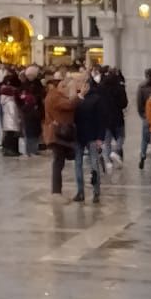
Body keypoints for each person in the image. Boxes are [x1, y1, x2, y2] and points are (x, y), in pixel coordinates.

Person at [45, 71, 79, 201]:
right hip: (57, 133)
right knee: (58, 162)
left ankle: (57, 190)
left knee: (59, 162)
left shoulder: (55, 95)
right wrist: (79, 96)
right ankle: (56, 192)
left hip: (59, 133)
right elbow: (69, 105)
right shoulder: (56, 96)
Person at [73, 71, 106, 203]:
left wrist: (100, 137)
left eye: (81, 82)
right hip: (78, 135)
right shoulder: (76, 97)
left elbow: (101, 119)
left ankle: (96, 191)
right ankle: (80, 191)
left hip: (92, 135)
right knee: (78, 164)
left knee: (94, 164)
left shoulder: (96, 98)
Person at [136, 68, 151, 171]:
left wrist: (143, 115)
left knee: (144, 139)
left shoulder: (141, 87)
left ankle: (143, 155)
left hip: (147, 116)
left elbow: (139, 103)